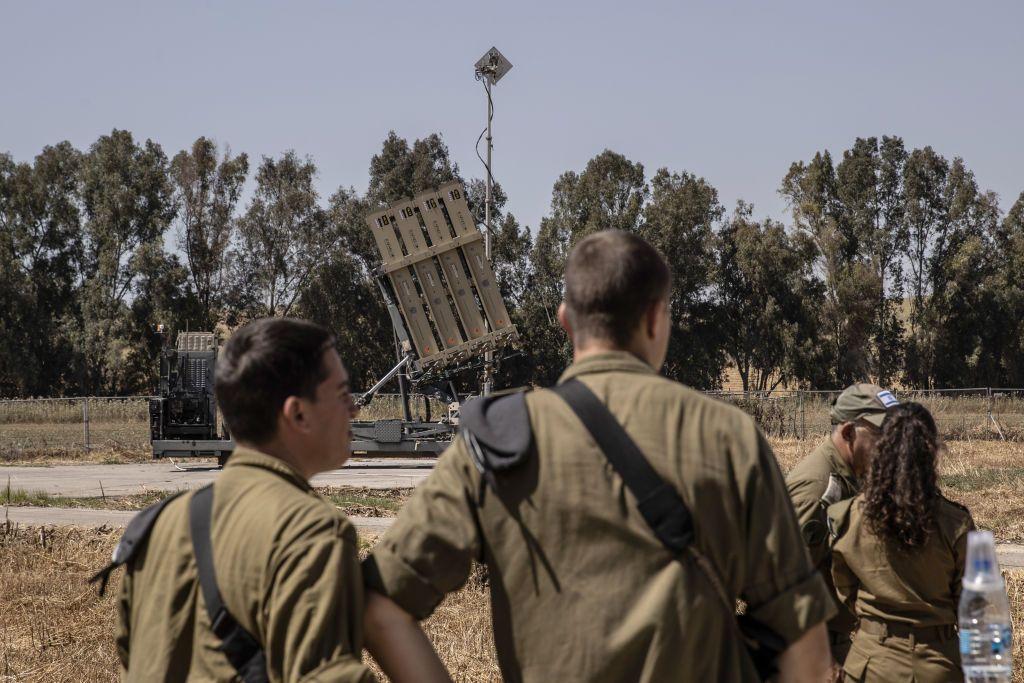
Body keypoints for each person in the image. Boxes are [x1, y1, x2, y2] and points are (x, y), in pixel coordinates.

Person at [362, 230, 834, 682]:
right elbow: (804, 649)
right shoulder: (728, 437)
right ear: (656, 318)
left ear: (566, 319)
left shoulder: (501, 440)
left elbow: (379, 605)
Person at [113, 318, 448, 682]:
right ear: (298, 414)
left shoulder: (157, 524)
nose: (353, 409)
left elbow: (133, 655)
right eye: (341, 394)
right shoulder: (310, 532)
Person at [828, 402, 974, 682]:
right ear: (932, 453)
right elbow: (973, 607)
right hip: (939, 665)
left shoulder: (850, 516)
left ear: (881, 449)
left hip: (870, 665)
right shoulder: (956, 524)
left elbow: (845, 589)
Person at [786, 382, 897, 663]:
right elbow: (784, 584)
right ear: (849, 433)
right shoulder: (820, 487)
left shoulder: (852, 475)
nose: (891, 446)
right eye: (881, 435)